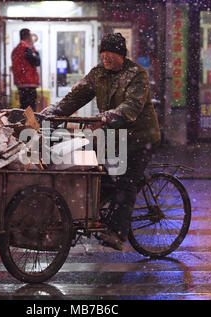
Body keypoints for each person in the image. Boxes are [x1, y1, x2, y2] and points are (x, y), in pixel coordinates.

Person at [41, 33, 161, 250]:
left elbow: (130, 108)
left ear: (121, 55)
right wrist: (52, 114)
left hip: (139, 138)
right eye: (103, 52)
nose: (106, 57)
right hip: (112, 136)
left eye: (111, 53)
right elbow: (75, 97)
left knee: (126, 182)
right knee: (94, 172)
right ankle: (95, 214)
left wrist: (104, 118)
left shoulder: (136, 75)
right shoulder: (99, 74)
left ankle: (117, 232)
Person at [11, 28, 40, 110]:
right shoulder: (27, 49)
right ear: (28, 37)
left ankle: (24, 122)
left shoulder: (16, 50)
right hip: (29, 83)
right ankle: (29, 123)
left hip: (21, 84)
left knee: (24, 108)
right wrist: (34, 50)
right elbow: (37, 62)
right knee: (31, 110)